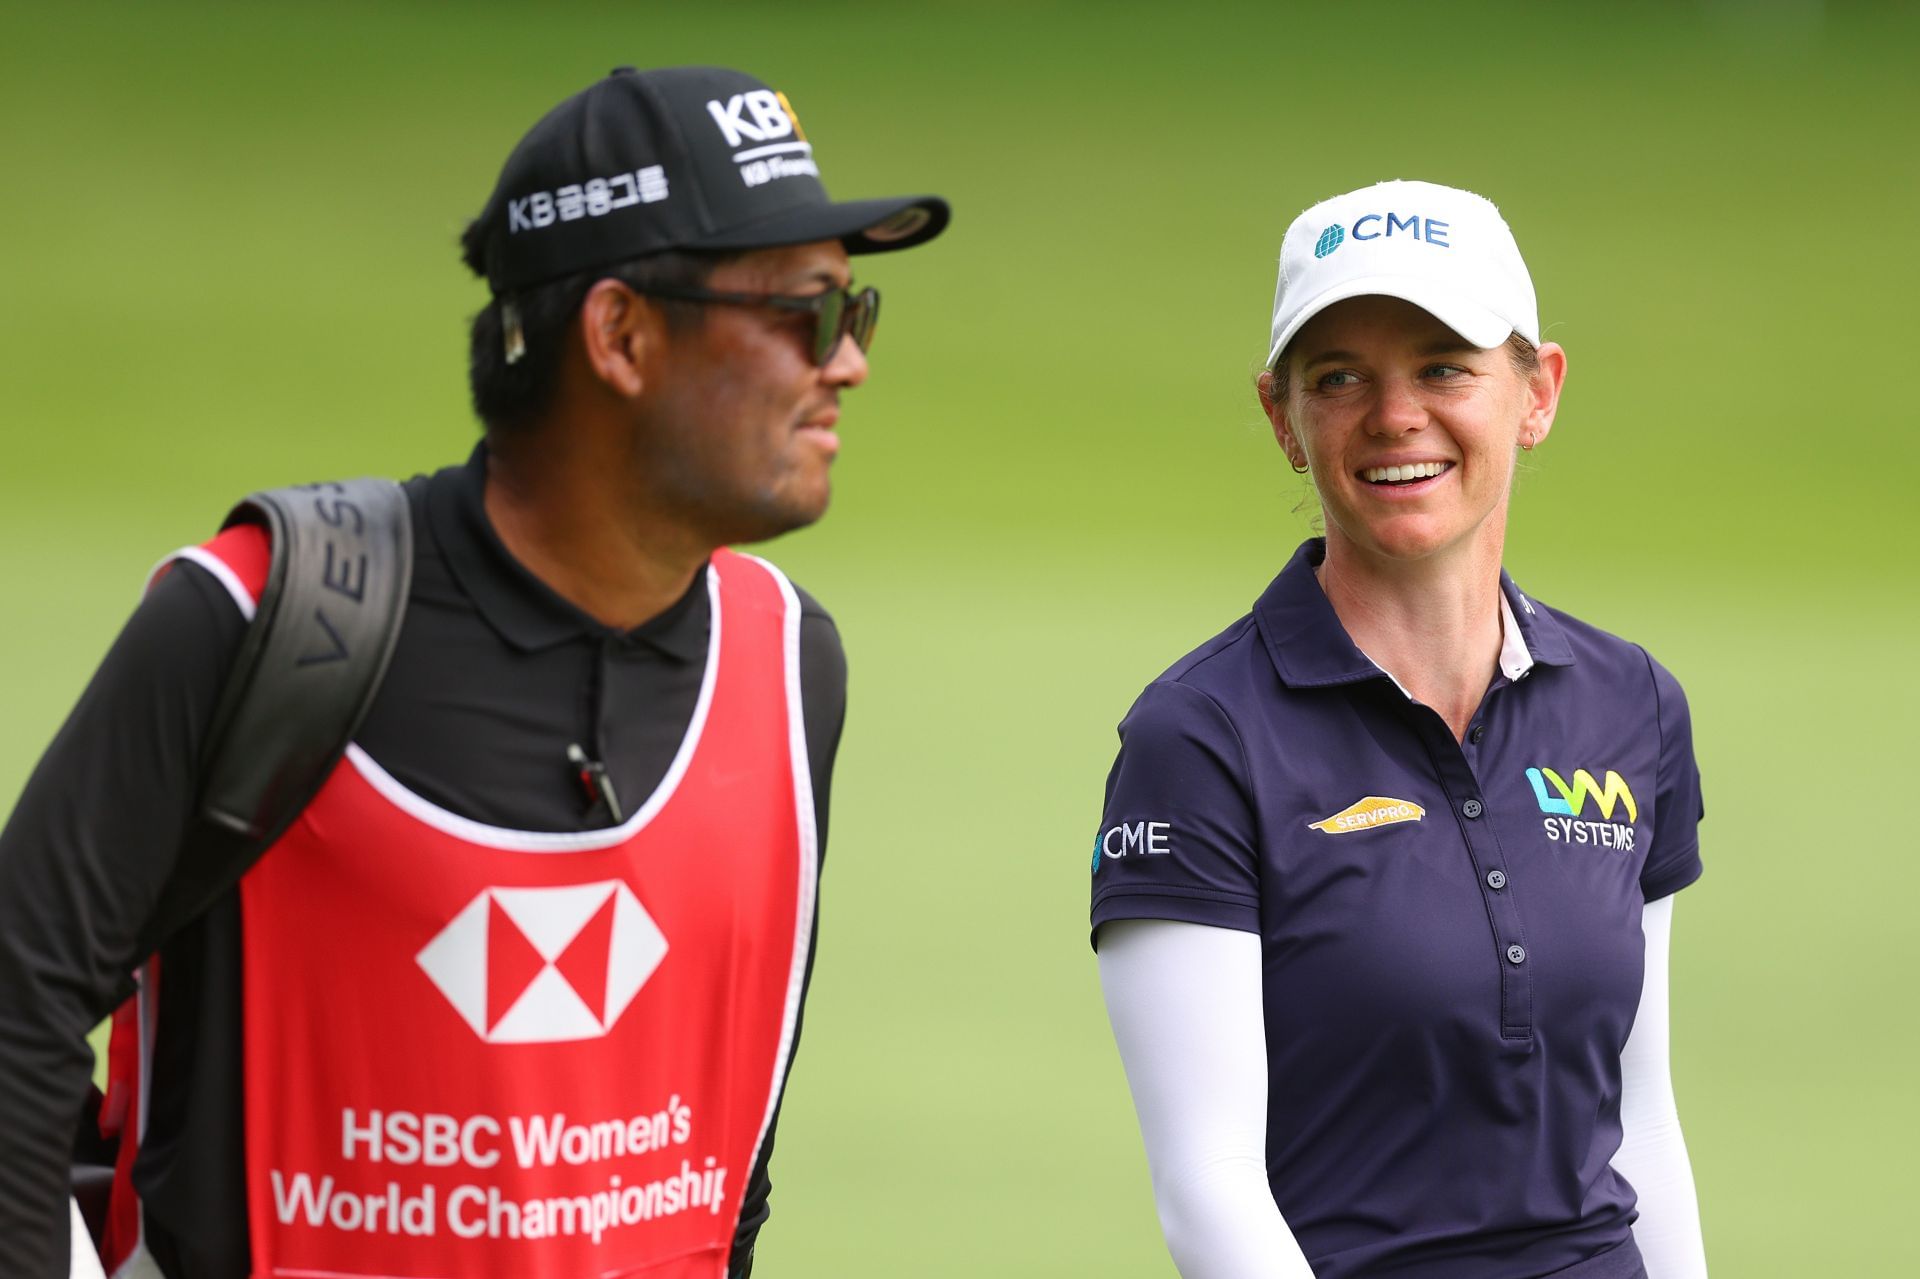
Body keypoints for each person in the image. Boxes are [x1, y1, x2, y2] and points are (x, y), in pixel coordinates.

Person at [0, 64, 948, 1279]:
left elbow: (728, 1169)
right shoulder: (261, 618)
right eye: (805, 314)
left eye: (855, 314)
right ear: (619, 335)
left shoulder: (785, 660)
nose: (848, 363)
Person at [1090, 180, 1708, 1278]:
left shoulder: (1632, 704)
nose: (1394, 414)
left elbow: (1641, 1118)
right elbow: (1209, 1182)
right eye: (1340, 378)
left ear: (1537, 390)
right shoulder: (1200, 739)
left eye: (1443, 366)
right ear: (1285, 417)